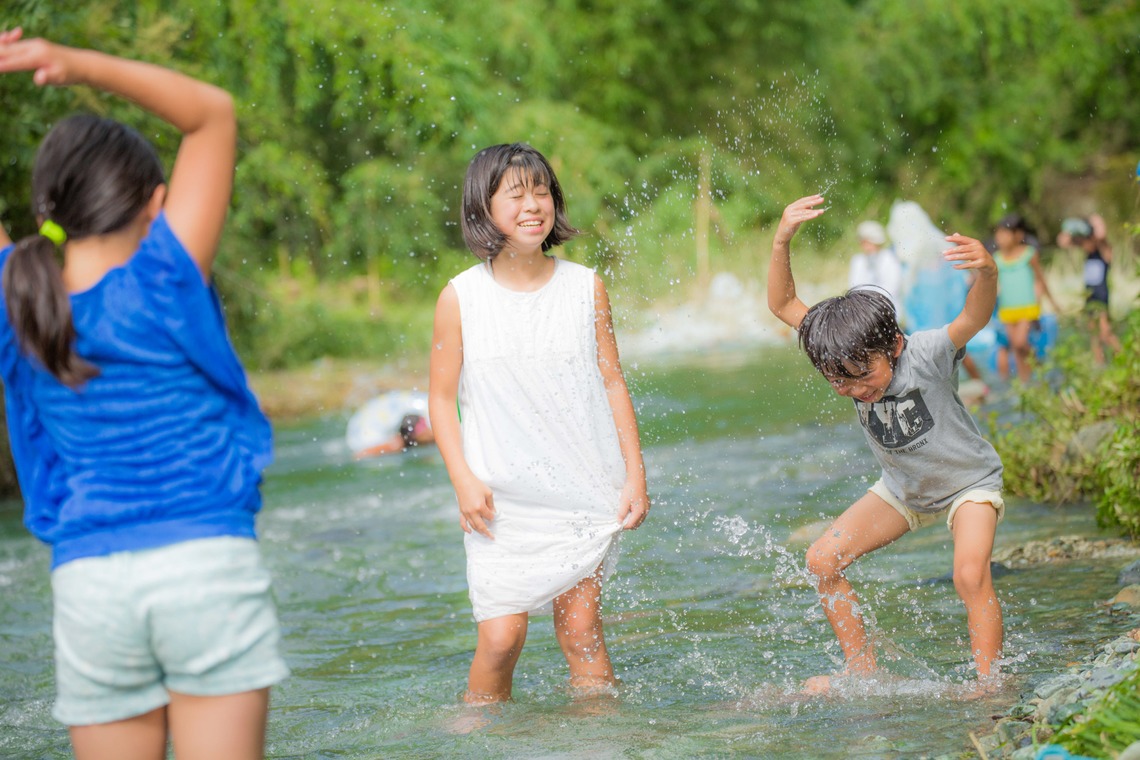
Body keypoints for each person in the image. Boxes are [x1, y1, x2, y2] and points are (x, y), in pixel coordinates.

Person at [0, 29, 287, 758]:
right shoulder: (165, 276)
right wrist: (74, 65)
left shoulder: (17, 299)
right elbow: (211, 112)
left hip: (90, 582)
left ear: (47, 207)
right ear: (154, 203)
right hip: (203, 564)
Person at [428, 143, 649, 705]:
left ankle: (603, 743)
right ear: (483, 208)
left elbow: (613, 382)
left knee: (581, 633)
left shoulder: (585, 287)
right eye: (515, 194)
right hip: (498, 496)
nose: (533, 205)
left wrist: (635, 476)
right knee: (502, 639)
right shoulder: (460, 297)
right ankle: (479, 741)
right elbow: (439, 398)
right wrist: (462, 480)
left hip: (581, 489)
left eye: (542, 190)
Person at [768, 195, 1005, 695]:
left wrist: (987, 273)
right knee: (821, 561)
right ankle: (862, 670)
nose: (856, 390)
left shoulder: (925, 352)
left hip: (969, 485)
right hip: (902, 489)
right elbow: (784, 305)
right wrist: (782, 238)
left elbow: (974, 317)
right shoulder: (841, 347)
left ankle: (990, 684)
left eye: (864, 376)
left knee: (967, 574)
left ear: (892, 346)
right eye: (839, 383)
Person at [992, 213, 1060, 382]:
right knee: (1015, 347)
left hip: (1027, 306)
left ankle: (1036, 363)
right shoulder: (997, 258)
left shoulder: (1029, 254)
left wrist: (1052, 302)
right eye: (998, 234)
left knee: (1021, 343)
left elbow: (1040, 279)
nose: (999, 238)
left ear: (1018, 235)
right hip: (1007, 308)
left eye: (1004, 234)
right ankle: (1025, 383)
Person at [1058, 215, 1122, 366]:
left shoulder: (1104, 252)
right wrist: (1075, 229)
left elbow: (1101, 235)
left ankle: (1121, 359)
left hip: (1101, 297)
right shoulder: (1088, 253)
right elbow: (1062, 241)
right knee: (1094, 333)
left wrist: (1094, 222)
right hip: (1089, 296)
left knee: (1106, 332)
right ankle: (1099, 363)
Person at [848, 220, 903, 316]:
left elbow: (892, 288)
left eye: (869, 242)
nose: (867, 246)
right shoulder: (858, 261)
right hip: (863, 310)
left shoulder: (889, 259)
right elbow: (854, 287)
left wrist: (873, 304)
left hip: (887, 309)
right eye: (865, 242)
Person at [353, 413, 435, 459]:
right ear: (413, 435)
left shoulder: (427, 439)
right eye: (424, 429)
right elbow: (361, 454)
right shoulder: (397, 444)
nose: (429, 431)